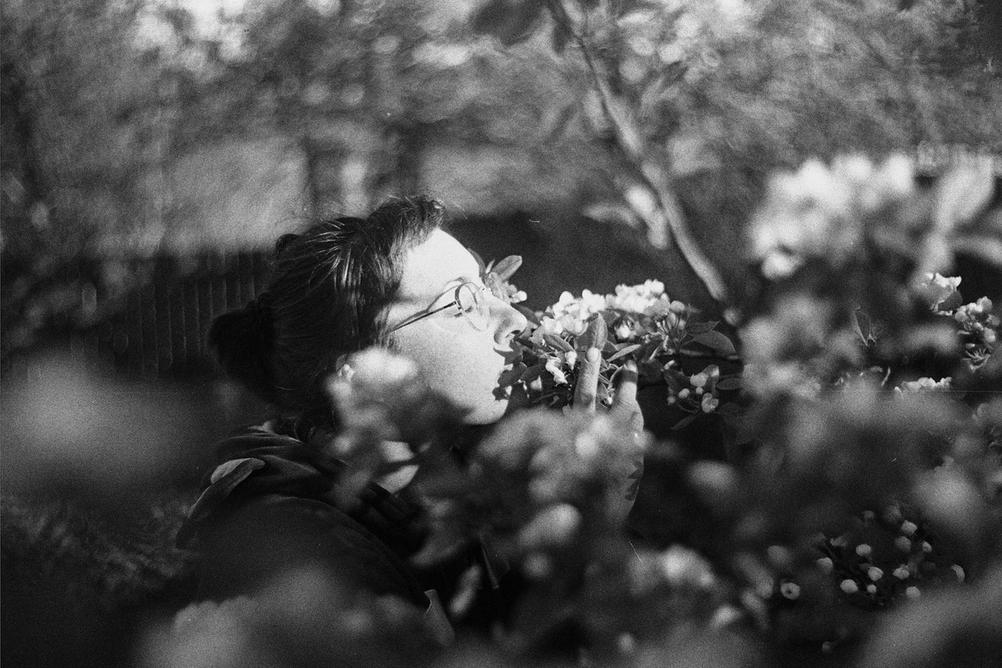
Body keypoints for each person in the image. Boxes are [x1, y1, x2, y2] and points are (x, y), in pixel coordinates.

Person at [177, 196, 642, 638]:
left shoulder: (437, 505)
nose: (515, 318)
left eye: (487, 289)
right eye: (461, 302)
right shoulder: (301, 560)